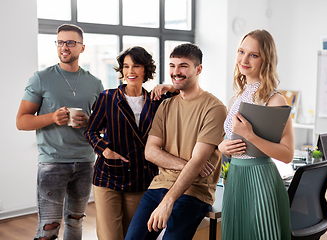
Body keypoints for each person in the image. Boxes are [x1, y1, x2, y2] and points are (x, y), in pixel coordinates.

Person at [124, 43, 227, 240]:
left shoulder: (214, 108)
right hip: (159, 185)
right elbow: (150, 152)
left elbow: (199, 161)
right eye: (172, 66)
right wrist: (187, 165)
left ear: (199, 69)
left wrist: (168, 201)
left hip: (194, 191)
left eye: (183, 66)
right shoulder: (166, 105)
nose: (176, 72)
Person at [16, 24, 104, 240]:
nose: (64, 47)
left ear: (82, 48)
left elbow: (105, 124)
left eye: (71, 42)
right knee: (49, 227)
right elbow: (21, 121)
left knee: (76, 221)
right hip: (52, 163)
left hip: (85, 162)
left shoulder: (94, 83)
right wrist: (52, 117)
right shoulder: (41, 78)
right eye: (60, 42)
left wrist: (90, 121)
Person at [84, 46, 178, 240]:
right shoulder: (108, 98)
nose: (130, 71)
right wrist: (105, 151)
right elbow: (90, 131)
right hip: (108, 176)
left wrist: (168, 87)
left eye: (136, 66)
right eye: (126, 66)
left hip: (141, 178)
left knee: (133, 235)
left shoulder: (156, 100)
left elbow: (184, 92)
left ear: (146, 70)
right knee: (110, 236)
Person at [218, 29, 294, 240]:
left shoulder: (275, 100)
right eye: (241, 51)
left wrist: (251, 136)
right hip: (234, 178)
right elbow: (228, 141)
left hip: (261, 180)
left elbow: (287, 155)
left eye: (254, 55)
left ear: (266, 60)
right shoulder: (236, 99)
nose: (244, 59)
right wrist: (221, 147)